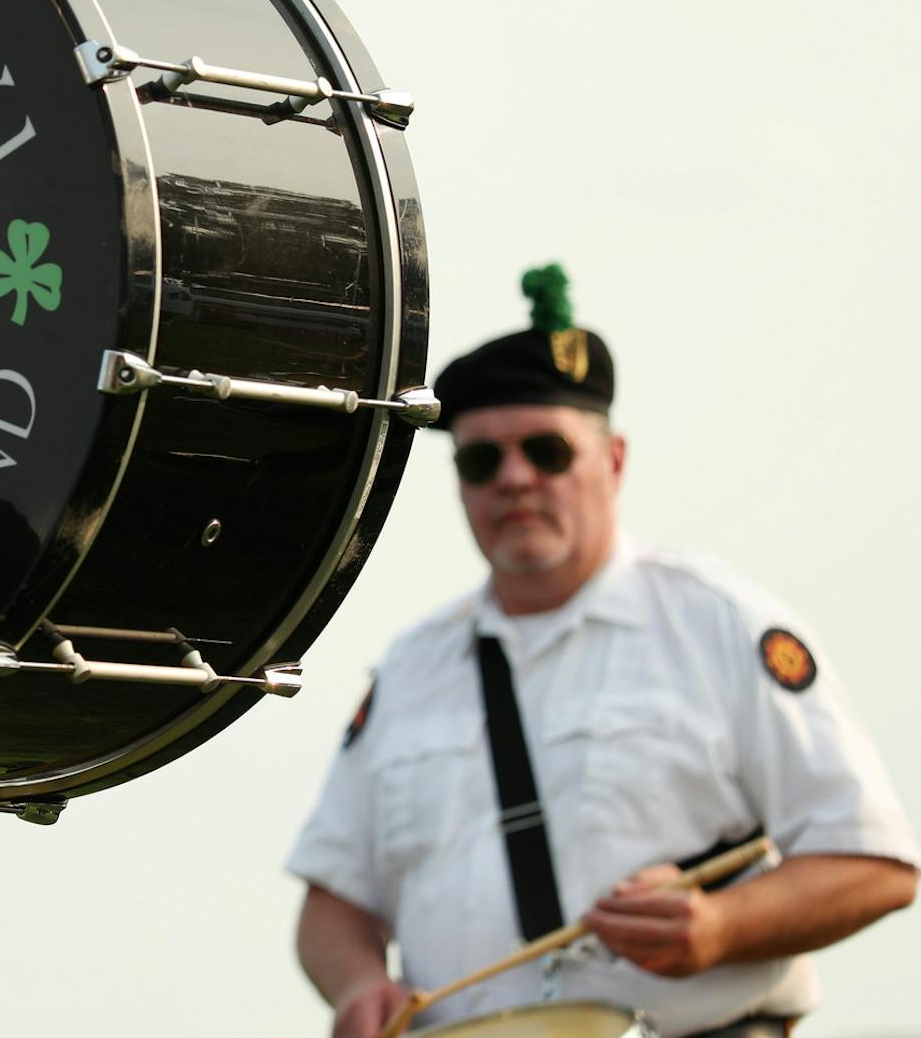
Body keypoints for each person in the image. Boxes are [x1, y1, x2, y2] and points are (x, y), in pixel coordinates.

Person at [287, 266, 916, 1038]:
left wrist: (720, 927)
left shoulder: (720, 627)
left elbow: (873, 865)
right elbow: (334, 901)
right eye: (481, 461)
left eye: (547, 451)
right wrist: (356, 985)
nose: (514, 480)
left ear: (613, 461)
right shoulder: (412, 670)